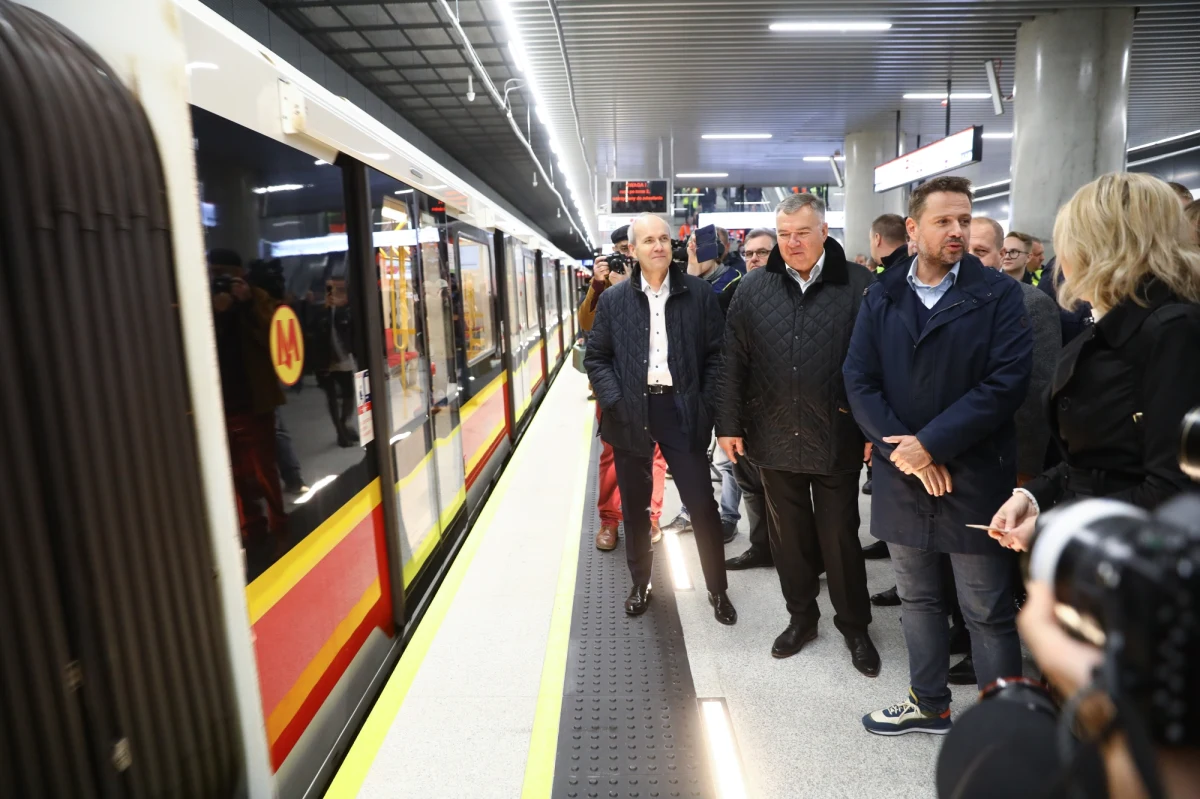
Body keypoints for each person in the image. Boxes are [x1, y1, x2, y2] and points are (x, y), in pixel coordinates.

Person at [843, 175, 1032, 735]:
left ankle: (1005, 726)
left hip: (972, 476)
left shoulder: (998, 295)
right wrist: (906, 451)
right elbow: (858, 378)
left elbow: (1006, 384)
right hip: (903, 474)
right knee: (917, 598)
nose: (957, 231)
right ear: (912, 228)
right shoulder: (882, 294)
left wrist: (933, 445)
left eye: (965, 220)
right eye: (945, 220)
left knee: (987, 609)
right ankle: (929, 703)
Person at [988, 172, 1200, 552]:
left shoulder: (1173, 331)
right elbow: (1098, 457)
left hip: (1140, 565)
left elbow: (1173, 488)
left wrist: (1055, 526)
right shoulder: (1123, 320)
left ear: (1099, 249)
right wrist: (1035, 495)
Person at [718, 194, 879, 672]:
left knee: (840, 538)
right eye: (784, 234)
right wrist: (727, 424)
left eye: (802, 233)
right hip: (772, 434)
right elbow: (732, 362)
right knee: (788, 539)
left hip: (839, 433)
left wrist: (874, 426)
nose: (792, 243)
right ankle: (801, 618)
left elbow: (878, 364)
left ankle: (855, 627)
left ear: (824, 231)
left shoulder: (860, 285)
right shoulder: (752, 289)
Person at [584, 213, 736, 624]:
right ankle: (641, 582)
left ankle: (717, 590)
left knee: (702, 504)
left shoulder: (699, 294)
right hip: (631, 412)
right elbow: (595, 356)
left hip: (681, 410)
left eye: (665, 239)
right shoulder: (614, 301)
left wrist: (705, 406)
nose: (658, 246)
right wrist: (616, 401)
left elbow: (717, 355)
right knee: (634, 508)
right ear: (632, 250)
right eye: (648, 240)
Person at [583, 225, 669, 550]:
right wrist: (601, 286)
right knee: (611, 455)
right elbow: (587, 326)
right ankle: (609, 520)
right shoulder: (604, 288)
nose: (625, 255)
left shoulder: (659, 284)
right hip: (613, 387)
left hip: (654, 385)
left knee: (655, 453)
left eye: (628, 249)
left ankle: (652, 515)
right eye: (619, 249)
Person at [208, 248, 289, 543]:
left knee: (264, 467)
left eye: (223, 273)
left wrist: (246, 304)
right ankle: (252, 525)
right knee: (237, 471)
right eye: (214, 272)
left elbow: (275, 340)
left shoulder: (258, 299)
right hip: (220, 402)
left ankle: (279, 520)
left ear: (239, 273)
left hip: (255, 400)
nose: (218, 278)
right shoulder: (201, 299)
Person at [723, 228, 778, 572]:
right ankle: (762, 548)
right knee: (750, 485)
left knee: (785, 494)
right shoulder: (736, 293)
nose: (754, 258)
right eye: (749, 253)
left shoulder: (792, 293)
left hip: (781, 414)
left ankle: (799, 557)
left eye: (762, 252)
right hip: (744, 411)